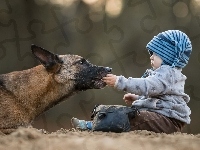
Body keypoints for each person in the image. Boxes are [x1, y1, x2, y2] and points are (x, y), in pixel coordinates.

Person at [71, 30, 192, 133]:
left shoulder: (167, 74)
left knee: (131, 116)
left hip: (168, 120)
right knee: (129, 113)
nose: (151, 57)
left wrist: (120, 82)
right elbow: (157, 96)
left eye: (156, 54)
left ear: (168, 56)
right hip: (162, 116)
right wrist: (137, 98)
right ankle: (97, 120)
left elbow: (147, 86)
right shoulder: (164, 74)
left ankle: (93, 126)